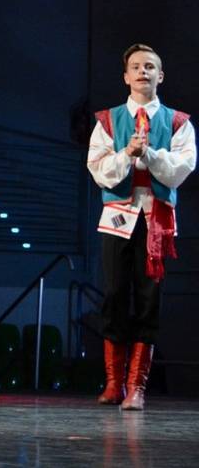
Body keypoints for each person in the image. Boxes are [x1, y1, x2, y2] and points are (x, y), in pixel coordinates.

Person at [87, 43, 195, 411]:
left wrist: (148, 153)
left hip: (156, 220)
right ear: (125, 76)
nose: (142, 72)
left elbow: (181, 169)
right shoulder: (108, 120)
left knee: (149, 299)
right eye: (135, 66)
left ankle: (137, 386)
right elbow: (98, 169)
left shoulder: (178, 122)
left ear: (160, 75)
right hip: (118, 218)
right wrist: (126, 154)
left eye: (149, 66)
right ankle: (113, 382)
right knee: (115, 294)